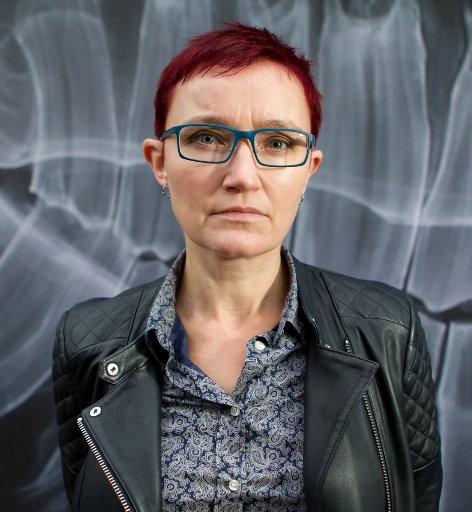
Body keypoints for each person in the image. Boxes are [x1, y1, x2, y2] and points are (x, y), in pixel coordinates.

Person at [52, 22, 442, 512]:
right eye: (206, 137)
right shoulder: (87, 343)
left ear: (308, 169)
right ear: (159, 162)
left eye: (277, 143)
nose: (242, 176)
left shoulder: (389, 330)